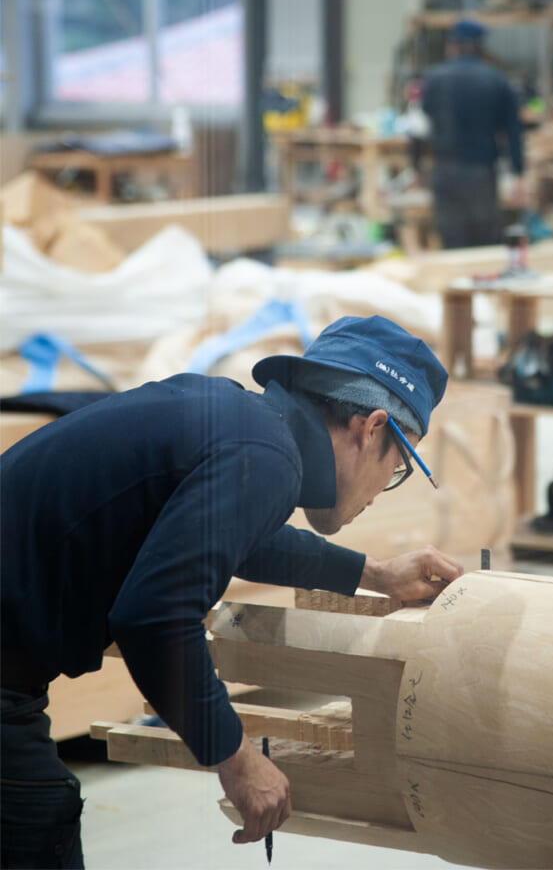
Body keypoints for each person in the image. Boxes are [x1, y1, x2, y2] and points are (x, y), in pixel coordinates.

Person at [1, 314, 463, 869]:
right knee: (34, 828)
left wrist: (375, 574)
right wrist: (236, 757)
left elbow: (231, 538)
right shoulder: (265, 457)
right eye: (398, 467)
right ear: (371, 429)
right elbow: (156, 617)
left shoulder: (241, 422)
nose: (384, 490)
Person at [421, 18, 526, 249]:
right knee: (483, 241)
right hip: (481, 172)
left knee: (452, 239)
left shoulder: (434, 79)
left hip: (445, 169)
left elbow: (424, 119)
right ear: (480, 47)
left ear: (453, 46)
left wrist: (420, 167)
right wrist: (518, 172)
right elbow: (512, 131)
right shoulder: (497, 81)